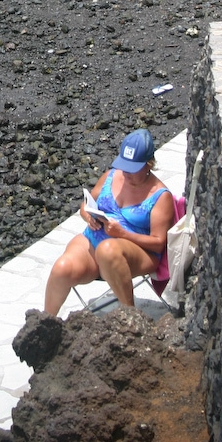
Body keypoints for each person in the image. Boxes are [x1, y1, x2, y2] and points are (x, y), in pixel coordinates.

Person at [44, 129, 175, 315]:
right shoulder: (111, 176)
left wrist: (122, 234)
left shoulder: (160, 196)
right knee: (62, 268)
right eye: (124, 167)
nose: (126, 173)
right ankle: (45, 323)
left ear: (148, 165)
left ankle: (130, 318)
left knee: (107, 250)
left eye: (132, 169)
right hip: (94, 240)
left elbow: (158, 243)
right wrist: (88, 216)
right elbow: (86, 204)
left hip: (137, 251)